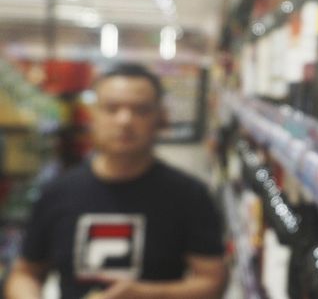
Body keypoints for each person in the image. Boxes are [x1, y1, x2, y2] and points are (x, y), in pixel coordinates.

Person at [5, 63, 227, 299]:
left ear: (161, 118)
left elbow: (213, 279)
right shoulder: (57, 193)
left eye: (141, 110)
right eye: (111, 108)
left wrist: (149, 295)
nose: (125, 120)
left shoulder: (190, 195)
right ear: (93, 115)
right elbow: (25, 273)